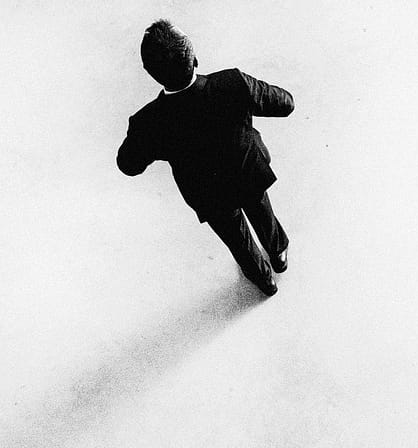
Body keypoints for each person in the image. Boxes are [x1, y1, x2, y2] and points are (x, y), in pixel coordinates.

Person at [117, 19, 294, 296]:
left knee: (235, 236)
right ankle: (278, 253)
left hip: (207, 193)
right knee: (261, 210)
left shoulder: (148, 123)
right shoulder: (232, 83)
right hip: (248, 170)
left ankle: (262, 278)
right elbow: (286, 103)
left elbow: (128, 165)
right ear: (195, 60)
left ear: (150, 72)